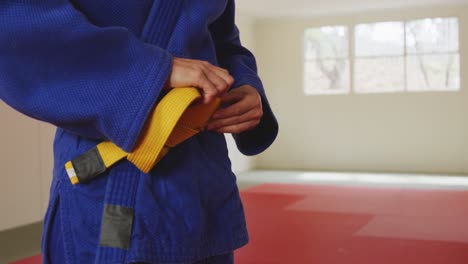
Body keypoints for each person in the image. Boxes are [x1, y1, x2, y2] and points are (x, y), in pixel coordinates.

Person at [0, 0, 278, 263]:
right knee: (116, 245)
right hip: (116, 176)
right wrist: (153, 71)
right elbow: (14, 24)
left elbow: (222, 41)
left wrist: (244, 84)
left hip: (204, 183)